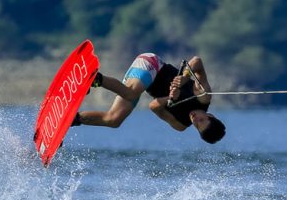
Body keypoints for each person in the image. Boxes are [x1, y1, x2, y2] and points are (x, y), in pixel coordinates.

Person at [72, 53, 226, 144]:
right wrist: (184, 79)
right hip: (152, 64)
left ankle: (72, 120)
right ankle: (91, 77)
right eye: (201, 120)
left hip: (142, 83)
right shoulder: (203, 96)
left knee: (113, 120)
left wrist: (169, 99)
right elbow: (197, 61)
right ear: (209, 116)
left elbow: (153, 106)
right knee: (131, 93)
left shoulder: (180, 124)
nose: (195, 120)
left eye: (197, 126)